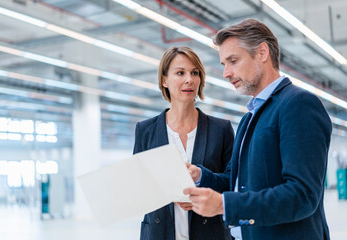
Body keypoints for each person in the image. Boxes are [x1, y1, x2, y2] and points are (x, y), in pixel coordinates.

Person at [183, 19, 332, 240]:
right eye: (224, 64)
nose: (226, 73)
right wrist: (200, 177)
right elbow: (237, 182)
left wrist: (225, 205)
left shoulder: (297, 104)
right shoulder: (249, 117)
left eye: (233, 61)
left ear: (262, 52)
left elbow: (302, 195)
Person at [133, 46, 234, 240]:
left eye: (194, 73)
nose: (189, 79)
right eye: (180, 72)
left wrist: (202, 177)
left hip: (210, 234)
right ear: (164, 80)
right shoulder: (145, 130)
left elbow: (232, 183)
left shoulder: (221, 130)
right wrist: (167, 193)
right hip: (159, 234)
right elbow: (139, 187)